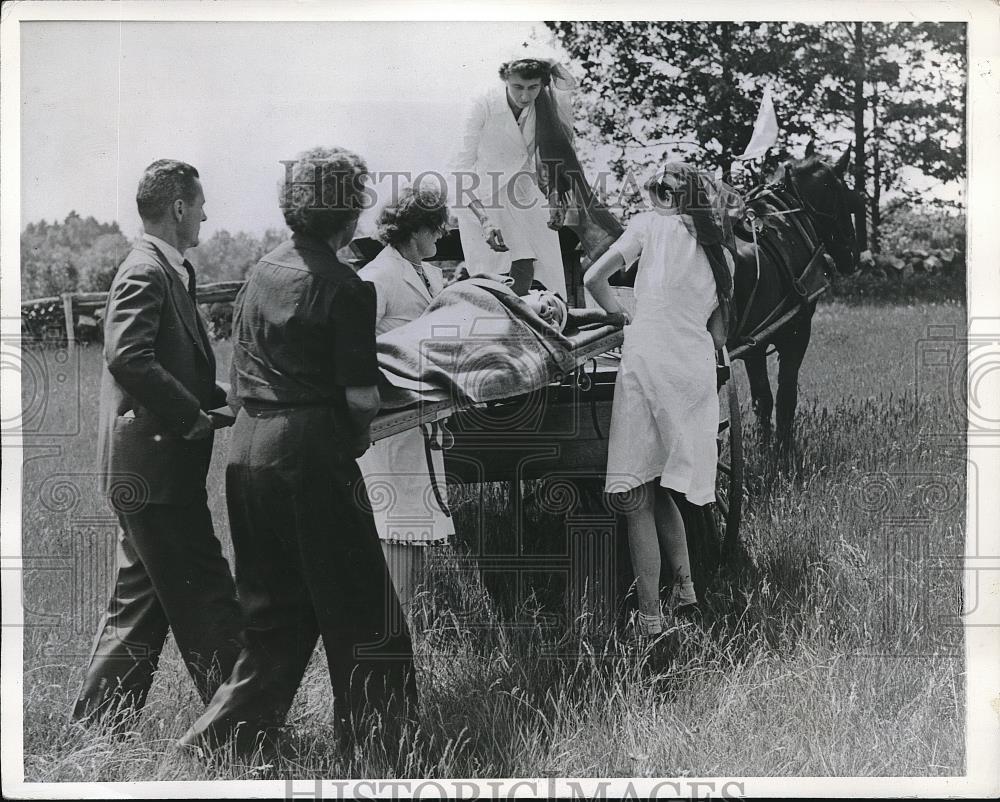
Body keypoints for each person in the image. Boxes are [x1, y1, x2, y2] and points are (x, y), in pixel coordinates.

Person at [178, 147, 417, 761]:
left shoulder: (261, 272)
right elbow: (361, 399)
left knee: (273, 615)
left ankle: (222, 742)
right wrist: (357, 434)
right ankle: (383, 747)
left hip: (246, 452)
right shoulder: (345, 286)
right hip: (308, 458)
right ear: (351, 211)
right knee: (364, 611)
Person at [72, 160, 244, 728]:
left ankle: (96, 729)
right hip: (157, 472)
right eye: (199, 204)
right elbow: (128, 356)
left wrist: (224, 393)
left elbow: (163, 357)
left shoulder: (164, 269)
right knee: (209, 598)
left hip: (147, 471)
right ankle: (240, 729)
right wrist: (191, 415)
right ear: (178, 208)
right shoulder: (147, 270)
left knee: (139, 608)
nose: (204, 214)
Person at [583, 161, 736, 637]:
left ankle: (650, 617)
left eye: (654, 190)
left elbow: (593, 279)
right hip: (691, 372)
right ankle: (686, 590)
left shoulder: (648, 226)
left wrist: (622, 316)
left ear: (663, 195)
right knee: (662, 486)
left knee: (632, 492)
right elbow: (717, 335)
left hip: (647, 363)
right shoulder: (721, 253)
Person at [356, 185, 455, 611]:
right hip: (391, 419)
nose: (441, 236)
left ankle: (408, 624)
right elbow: (357, 347)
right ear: (415, 229)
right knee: (397, 527)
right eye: (436, 228)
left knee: (416, 526)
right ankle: (395, 628)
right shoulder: (378, 277)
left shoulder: (429, 274)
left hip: (423, 415)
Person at [450, 57, 577, 298]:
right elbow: (459, 168)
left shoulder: (544, 106)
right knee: (499, 278)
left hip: (523, 191)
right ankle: (503, 326)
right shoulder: (483, 102)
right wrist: (484, 220)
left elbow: (550, 156)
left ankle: (548, 323)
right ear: (505, 81)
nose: (525, 96)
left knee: (545, 268)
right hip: (483, 195)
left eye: (533, 88)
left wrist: (554, 197)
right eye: (518, 87)